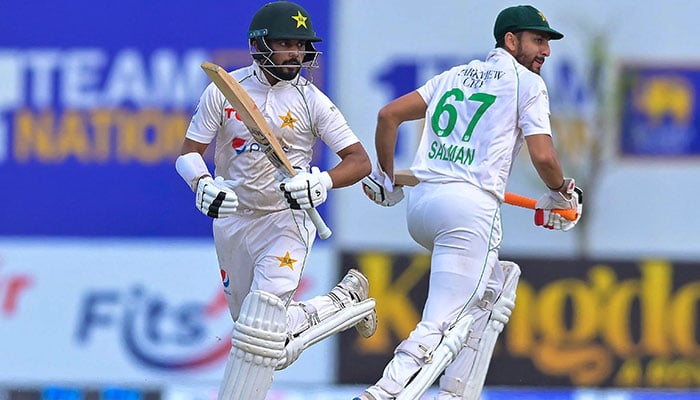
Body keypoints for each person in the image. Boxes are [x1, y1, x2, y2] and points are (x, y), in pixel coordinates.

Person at [358, 5, 583, 400]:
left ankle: (457, 392)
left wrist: (384, 177)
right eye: (538, 40)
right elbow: (544, 157)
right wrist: (561, 193)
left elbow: (388, 115)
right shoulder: (527, 84)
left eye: (547, 42)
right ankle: (384, 391)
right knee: (442, 322)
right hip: (468, 211)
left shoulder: (454, 75)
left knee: (494, 289)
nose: (545, 50)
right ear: (510, 41)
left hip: (423, 205)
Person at [174, 1, 375, 399]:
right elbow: (188, 153)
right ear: (259, 44)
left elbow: (360, 161)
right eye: (286, 43)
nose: (296, 53)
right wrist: (203, 183)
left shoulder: (311, 100)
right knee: (260, 341)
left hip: (287, 220)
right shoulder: (224, 91)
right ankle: (342, 301)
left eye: (301, 45)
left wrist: (321, 183)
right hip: (233, 222)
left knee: (262, 327)